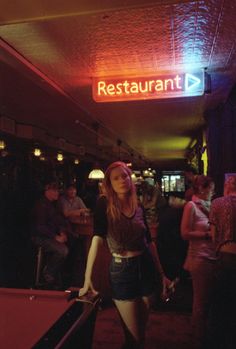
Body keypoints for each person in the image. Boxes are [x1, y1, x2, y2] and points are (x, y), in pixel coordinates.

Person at [79, 161, 170, 349]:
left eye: (125, 176)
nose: (122, 180)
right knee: (134, 337)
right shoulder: (104, 203)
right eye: (116, 178)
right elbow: (97, 238)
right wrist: (87, 278)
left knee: (140, 335)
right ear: (109, 183)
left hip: (146, 266)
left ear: (131, 178)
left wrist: (162, 274)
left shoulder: (138, 205)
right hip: (122, 270)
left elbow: (149, 242)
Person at [180, 175, 216, 348]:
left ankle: (204, 334)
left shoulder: (212, 206)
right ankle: (197, 339)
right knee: (200, 301)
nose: (213, 191)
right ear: (202, 189)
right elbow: (185, 233)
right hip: (199, 257)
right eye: (211, 188)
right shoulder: (191, 206)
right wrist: (206, 235)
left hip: (213, 257)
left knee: (209, 300)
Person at [207, 175, 236, 349]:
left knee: (221, 306)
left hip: (226, 256)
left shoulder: (217, 203)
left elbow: (213, 236)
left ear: (226, 186)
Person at [31, 182, 70, 289]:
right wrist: (56, 237)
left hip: (50, 236)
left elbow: (59, 221)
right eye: (56, 190)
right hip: (39, 237)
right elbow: (40, 228)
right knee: (63, 251)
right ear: (48, 191)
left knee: (71, 243)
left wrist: (62, 232)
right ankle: (48, 273)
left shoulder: (53, 204)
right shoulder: (41, 205)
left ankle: (58, 275)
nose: (58, 193)